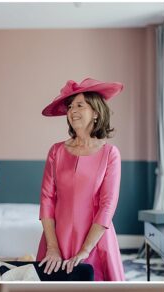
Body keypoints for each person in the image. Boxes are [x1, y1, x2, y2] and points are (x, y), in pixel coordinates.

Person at [36, 77, 125, 281]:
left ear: (95, 112)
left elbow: (107, 206)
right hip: (57, 239)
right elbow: (47, 200)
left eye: (79, 105)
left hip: (95, 240)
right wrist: (52, 247)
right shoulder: (56, 151)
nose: (72, 111)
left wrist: (85, 251)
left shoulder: (110, 153)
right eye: (70, 106)